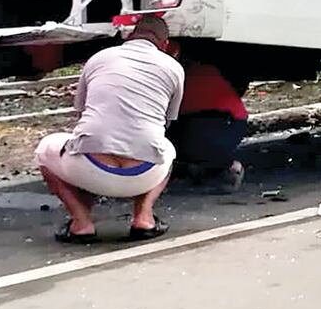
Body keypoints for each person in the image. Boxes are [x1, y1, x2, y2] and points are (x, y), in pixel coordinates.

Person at [34, 16, 183, 244]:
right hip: (143, 175)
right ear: (165, 44)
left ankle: (81, 223)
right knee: (167, 149)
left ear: (129, 35)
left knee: (45, 149)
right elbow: (168, 121)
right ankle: (144, 218)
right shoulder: (174, 68)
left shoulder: (99, 58)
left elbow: (81, 111)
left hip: (89, 169)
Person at [168, 58, 248, 191]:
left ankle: (220, 165)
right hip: (230, 120)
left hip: (213, 119)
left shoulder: (174, 74)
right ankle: (217, 165)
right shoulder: (203, 70)